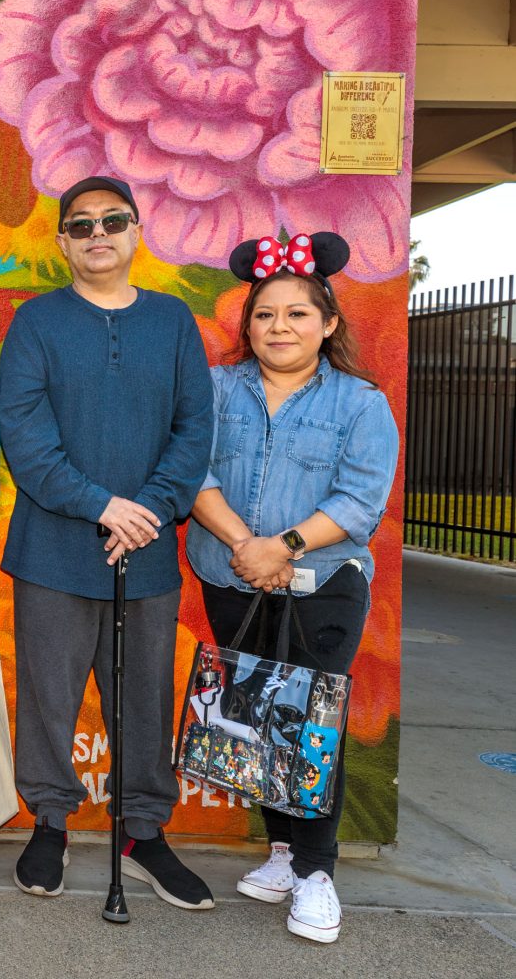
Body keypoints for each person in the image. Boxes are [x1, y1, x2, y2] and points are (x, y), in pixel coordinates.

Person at [0, 175, 215, 909]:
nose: (98, 234)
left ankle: (144, 834)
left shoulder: (174, 322)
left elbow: (194, 431)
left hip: (147, 553)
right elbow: (25, 438)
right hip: (54, 550)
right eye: (81, 224)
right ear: (62, 241)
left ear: (135, 230)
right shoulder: (35, 323)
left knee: (145, 702)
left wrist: (144, 512)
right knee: (49, 699)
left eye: (112, 221)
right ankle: (50, 824)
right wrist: (102, 506)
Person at [187, 231, 398, 944]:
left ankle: (316, 874)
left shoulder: (360, 404)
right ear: (246, 324)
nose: (280, 326)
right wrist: (246, 547)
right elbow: (192, 471)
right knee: (254, 714)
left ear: (329, 324)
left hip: (323, 585)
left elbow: (360, 499)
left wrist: (284, 545)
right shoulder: (214, 390)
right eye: (266, 314)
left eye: (298, 314)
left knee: (310, 722)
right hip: (231, 576)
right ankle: (281, 852)